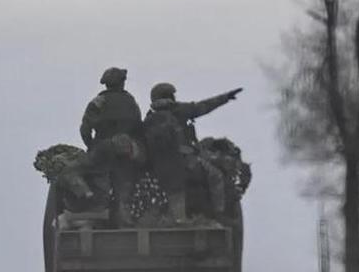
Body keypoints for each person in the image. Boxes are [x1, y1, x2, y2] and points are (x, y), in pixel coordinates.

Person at [143, 82, 242, 222]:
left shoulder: (149, 119)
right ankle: (219, 214)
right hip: (186, 162)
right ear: (170, 96)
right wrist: (225, 97)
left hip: (157, 167)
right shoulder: (180, 110)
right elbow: (204, 106)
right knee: (216, 176)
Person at [79, 67, 144, 224]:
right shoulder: (130, 102)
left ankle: (99, 215)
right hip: (125, 150)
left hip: (102, 149)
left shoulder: (97, 103)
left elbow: (85, 129)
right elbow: (138, 127)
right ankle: (124, 215)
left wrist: (92, 147)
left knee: (100, 183)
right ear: (122, 83)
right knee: (125, 185)